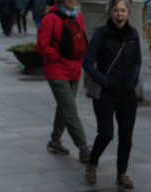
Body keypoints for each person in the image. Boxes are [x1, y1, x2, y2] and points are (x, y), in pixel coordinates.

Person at [83, 0, 141, 188]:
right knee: (106, 133)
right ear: (110, 12)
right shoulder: (101, 34)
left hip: (127, 93)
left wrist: (134, 79)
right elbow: (87, 62)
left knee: (126, 136)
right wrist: (103, 80)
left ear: (128, 13)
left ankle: (122, 173)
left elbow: (138, 61)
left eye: (123, 10)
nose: (120, 14)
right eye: (116, 10)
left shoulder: (133, 35)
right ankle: (92, 162)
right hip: (106, 94)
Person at [37, 0, 92, 161]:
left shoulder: (78, 17)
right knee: (70, 108)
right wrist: (57, 56)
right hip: (57, 71)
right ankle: (83, 146)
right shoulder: (50, 18)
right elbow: (41, 45)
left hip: (74, 70)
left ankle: (54, 140)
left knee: (64, 107)